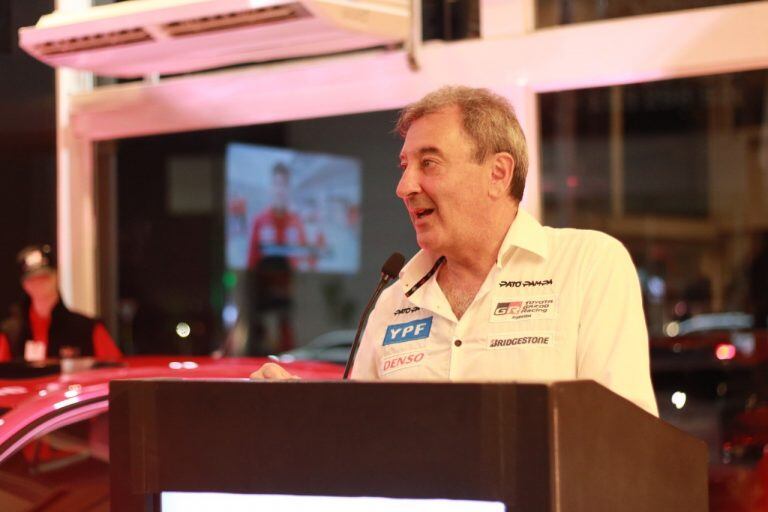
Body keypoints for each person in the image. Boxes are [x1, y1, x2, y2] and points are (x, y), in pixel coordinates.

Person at [252, 86, 658, 416]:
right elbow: (358, 440)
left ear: (498, 174)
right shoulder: (393, 300)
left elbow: (623, 439)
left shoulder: (588, 265)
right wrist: (299, 411)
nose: (404, 186)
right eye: (404, 165)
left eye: (428, 163)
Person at [0, 245, 122, 362]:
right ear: (24, 284)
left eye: (44, 276)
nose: (39, 283)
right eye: (32, 278)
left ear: (56, 276)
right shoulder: (11, 334)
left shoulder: (87, 329)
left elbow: (115, 371)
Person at [247, 163, 309, 270]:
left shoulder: (297, 222)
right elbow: (251, 260)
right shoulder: (259, 220)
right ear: (271, 187)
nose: (280, 190)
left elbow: (305, 259)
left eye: (284, 184)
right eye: (277, 184)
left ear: (289, 189)